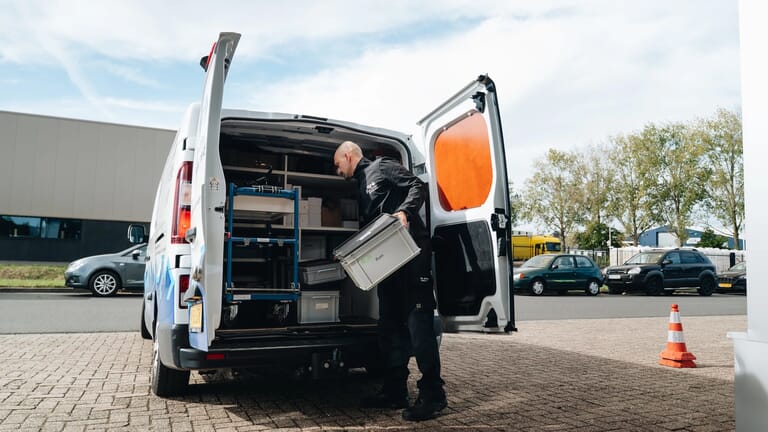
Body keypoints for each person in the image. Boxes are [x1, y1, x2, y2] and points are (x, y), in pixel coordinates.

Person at [333, 140, 447, 422]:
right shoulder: (361, 184)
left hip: (411, 256)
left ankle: (433, 395)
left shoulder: (381, 166)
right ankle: (395, 391)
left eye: (337, 164)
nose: (337, 170)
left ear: (348, 155)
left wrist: (405, 211)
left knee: (419, 329)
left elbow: (417, 186)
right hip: (388, 264)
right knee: (389, 328)